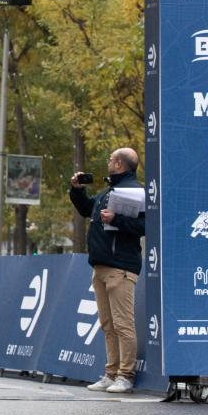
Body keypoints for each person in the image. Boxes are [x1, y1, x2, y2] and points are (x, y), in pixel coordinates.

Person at [70, 147, 145, 394]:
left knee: (123, 324)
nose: (108, 163)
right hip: (101, 266)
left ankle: (126, 375)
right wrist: (77, 191)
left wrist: (116, 220)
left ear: (121, 165)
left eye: (111, 160)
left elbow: (144, 226)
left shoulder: (134, 191)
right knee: (107, 324)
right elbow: (87, 210)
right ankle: (111, 373)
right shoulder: (108, 192)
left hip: (121, 267)